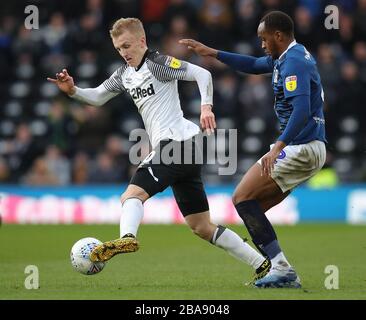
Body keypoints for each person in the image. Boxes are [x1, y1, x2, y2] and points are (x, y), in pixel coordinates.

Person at [47, 17, 271, 283]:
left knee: (130, 196)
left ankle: (127, 238)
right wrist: (73, 91)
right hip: (187, 150)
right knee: (201, 226)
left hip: (177, 145)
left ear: (142, 41)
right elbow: (97, 97)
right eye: (119, 48)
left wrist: (206, 107)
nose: (124, 53)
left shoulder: (159, 63)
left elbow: (203, 73)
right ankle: (262, 264)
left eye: (127, 46)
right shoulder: (124, 74)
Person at [180, 10, 327, 288]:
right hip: (313, 147)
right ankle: (279, 269)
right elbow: (254, 64)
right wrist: (213, 53)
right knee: (252, 207)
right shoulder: (291, 56)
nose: (261, 44)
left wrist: (278, 146)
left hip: (300, 146)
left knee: (241, 198)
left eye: (264, 39)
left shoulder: (293, 62)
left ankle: (281, 268)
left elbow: (302, 110)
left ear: (278, 36)